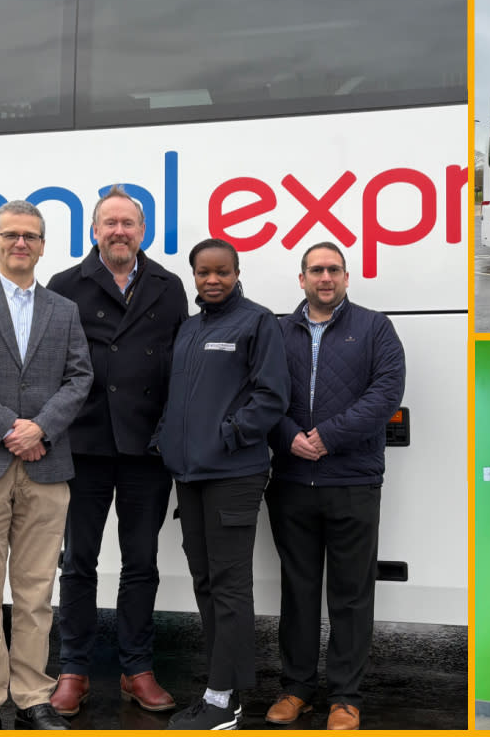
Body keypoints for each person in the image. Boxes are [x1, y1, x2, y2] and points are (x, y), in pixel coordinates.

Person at [0, 200, 93, 730]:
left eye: (30, 235)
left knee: (35, 593)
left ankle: (32, 695)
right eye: (10, 234)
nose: (20, 243)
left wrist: (41, 428)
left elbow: (80, 379)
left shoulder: (64, 310)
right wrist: (12, 429)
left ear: (44, 245)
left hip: (47, 468)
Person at [46, 186, 188, 717]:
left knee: (141, 562)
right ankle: (73, 670)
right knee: (77, 563)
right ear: (94, 231)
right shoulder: (64, 286)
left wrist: (171, 434)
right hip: (82, 445)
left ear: (143, 231)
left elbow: (178, 368)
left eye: (128, 223)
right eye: (110, 223)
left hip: (146, 449)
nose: (119, 231)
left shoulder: (169, 287)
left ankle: (137, 669)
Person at [264, 242, 406, 731]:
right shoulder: (278, 331)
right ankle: (296, 688)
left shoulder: (375, 328)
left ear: (347, 277)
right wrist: (288, 437)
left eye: (333, 270)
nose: (325, 277)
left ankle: (346, 697)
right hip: (290, 480)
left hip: (353, 481)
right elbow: (260, 395)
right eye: (316, 270)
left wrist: (326, 437)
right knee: (297, 589)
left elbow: (386, 392)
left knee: (350, 593)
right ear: (301, 279)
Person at [152, 238, 289, 730]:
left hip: (233, 474)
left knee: (229, 588)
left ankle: (223, 700)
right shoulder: (189, 329)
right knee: (206, 583)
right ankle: (218, 690)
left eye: (222, 272)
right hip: (189, 476)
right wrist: (165, 439)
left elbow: (272, 397)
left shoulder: (257, 322)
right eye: (204, 272)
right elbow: (177, 396)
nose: (213, 280)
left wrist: (228, 435)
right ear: (193, 276)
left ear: (236, 272)